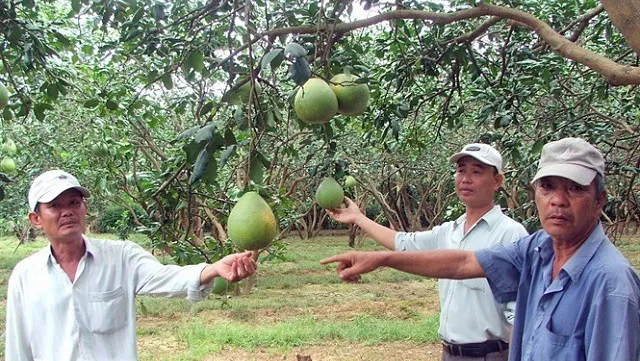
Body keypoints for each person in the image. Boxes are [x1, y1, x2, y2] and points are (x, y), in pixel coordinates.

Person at [322, 137, 640, 361]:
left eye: (575, 188)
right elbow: (461, 263)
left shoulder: (611, 285)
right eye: (548, 187)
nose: (558, 200)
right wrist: (378, 256)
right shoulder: (537, 250)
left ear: (599, 201)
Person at [5, 169, 258, 361]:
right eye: (55, 206)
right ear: (36, 219)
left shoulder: (121, 257)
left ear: (84, 208)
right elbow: (19, 347)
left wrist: (213, 269)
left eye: (74, 202)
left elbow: (165, 277)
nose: (68, 211)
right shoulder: (25, 276)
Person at [327, 143, 528, 360]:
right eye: (461, 171)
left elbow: (518, 312)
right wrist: (358, 218)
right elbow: (403, 243)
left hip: (491, 354)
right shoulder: (449, 232)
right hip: (449, 353)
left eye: (476, 172)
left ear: (497, 181)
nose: (466, 179)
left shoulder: (511, 234)